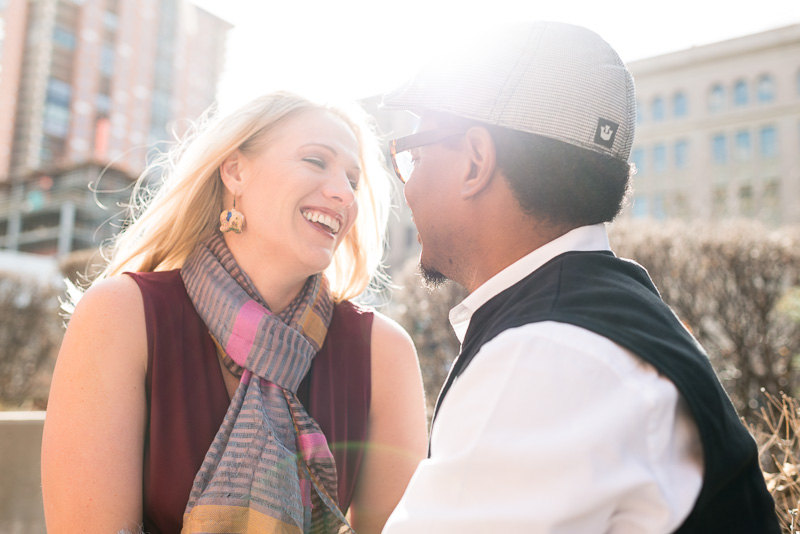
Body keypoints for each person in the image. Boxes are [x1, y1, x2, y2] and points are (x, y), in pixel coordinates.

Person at [379, 21, 781, 533]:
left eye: (413, 155)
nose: (407, 187)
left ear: (475, 161)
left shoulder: (547, 357)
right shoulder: (605, 316)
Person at [41, 92, 428, 534]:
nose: (343, 193)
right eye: (316, 161)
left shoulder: (383, 352)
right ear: (236, 170)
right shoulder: (122, 316)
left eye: (353, 181)